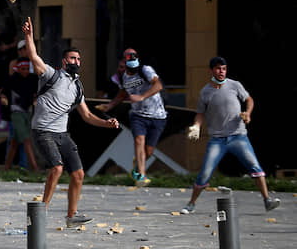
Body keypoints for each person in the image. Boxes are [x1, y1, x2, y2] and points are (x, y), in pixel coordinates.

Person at [22, 17, 119, 228]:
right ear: (64, 61)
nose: (76, 61)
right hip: (43, 131)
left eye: (78, 59)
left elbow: (87, 116)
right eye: (72, 58)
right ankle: (41, 213)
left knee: (78, 174)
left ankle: (71, 217)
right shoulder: (51, 75)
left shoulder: (78, 88)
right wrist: (29, 36)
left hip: (62, 134)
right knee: (56, 168)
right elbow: (33, 56)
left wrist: (107, 123)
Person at [181, 56, 280, 214]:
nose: (221, 72)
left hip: (238, 136)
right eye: (218, 68)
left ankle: (267, 200)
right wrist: (196, 126)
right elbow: (200, 113)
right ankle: (191, 204)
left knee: (255, 166)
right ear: (211, 70)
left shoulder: (235, 85)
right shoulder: (205, 92)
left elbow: (249, 99)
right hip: (217, 140)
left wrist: (247, 113)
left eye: (224, 68)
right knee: (205, 172)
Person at [97, 48, 167, 187]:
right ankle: (141, 176)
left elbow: (158, 86)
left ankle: (138, 166)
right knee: (139, 140)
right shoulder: (125, 77)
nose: (133, 72)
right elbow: (123, 94)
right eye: (130, 70)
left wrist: (141, 96)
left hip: (157, 115)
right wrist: (109, 106)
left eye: (134, 70)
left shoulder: (145, 70)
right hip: (138, 116)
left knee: (149, 151)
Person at [0, 57, 38, 171]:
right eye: (23, 68)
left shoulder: (33, 79)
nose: (25, 71)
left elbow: (38, 92)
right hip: (16, 113)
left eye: (27, 68)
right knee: (26, 139)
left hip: (27, 113)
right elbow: (2, 93)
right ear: (18, 69)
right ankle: (35, 168)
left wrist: (36, 100)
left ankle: (6, 167)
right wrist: (3, 99)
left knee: (14, 143)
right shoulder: (12, 80)